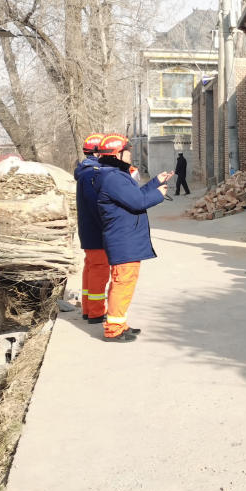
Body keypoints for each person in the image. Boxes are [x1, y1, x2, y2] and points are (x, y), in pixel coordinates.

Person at [95, 134, 172, 342]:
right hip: (123, 239)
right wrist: (159, 194)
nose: (131, 154)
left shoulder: (115, 176)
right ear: (117, 154)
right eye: (127, 151)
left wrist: (156, 182)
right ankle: (113, 330)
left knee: (124, 283)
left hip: (125, 238)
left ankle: (120, 323)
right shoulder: (113, 178)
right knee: (122, 283)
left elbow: (134, 196)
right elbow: (138, 203)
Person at [75, 133, 108, 323]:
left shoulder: (85, 171)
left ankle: (89, 309)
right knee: (99, 269)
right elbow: (95, 204)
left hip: (89, 230)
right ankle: (96, 312)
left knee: (91, 268)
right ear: (97, 152)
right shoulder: (91, 174)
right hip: (95, 231)